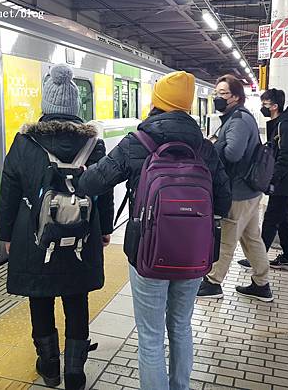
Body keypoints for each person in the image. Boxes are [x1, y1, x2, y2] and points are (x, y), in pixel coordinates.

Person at [78, 71, 231, 390]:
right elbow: (225, 201)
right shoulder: (204, 147)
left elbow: (91, 183)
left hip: (148, 252)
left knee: (150, 336)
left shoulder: (138, 142)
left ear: (157, 102)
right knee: (181, 326)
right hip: (192, 254)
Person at [0, 65, 114, 390]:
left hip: (35, 238)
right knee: (77, 299)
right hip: (83, 235)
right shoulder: (95, 145)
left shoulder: (24, 141)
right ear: (75, 107)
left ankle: (49, 367)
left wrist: (6, 234)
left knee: (40, 298)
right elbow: (102, 191)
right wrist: (104, 230)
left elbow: (9, 192)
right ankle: (75, 372)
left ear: (46, 104)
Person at [197, 74, 274, 301]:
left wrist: (213, 144)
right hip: (249, 191)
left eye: (223, 94)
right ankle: (262, 284)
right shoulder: (237, 117)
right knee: (251, 238)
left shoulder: (238, 119)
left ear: (236, 97)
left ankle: (213, 282)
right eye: (216, 94)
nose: (217, 98)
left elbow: (233, 153)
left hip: (239, 192)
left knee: (227, 238)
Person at [238, 88, 288, 272]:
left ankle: (257, 258)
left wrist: (273, 177)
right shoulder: (281, 123)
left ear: (274, 106)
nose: (262, 107)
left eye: (265, 104)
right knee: (283, 221)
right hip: (285, 182)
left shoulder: (284, 125)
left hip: (282, 182)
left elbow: (287, 154)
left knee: (271, 220)